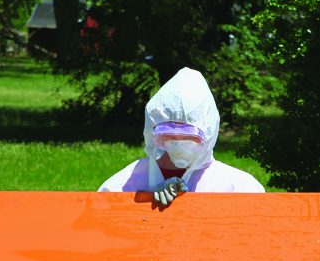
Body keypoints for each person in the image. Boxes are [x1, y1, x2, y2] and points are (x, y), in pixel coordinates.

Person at [98, 67, 264, 205]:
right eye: (168, 136)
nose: (178, 144)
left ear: (208, 134)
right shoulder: (124, 184)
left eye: (189, 137)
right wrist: (143, 201)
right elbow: (99, 226)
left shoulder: (237, 187)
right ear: (152, 134)